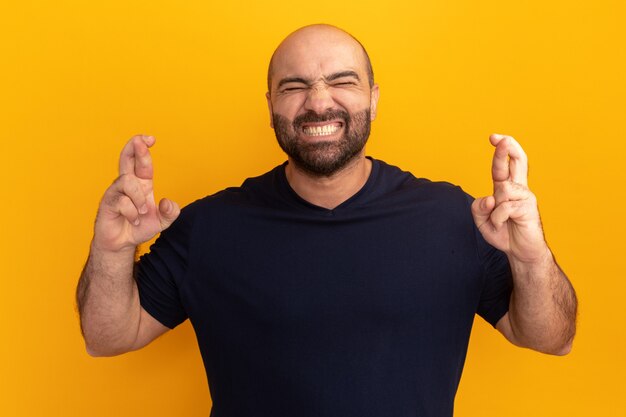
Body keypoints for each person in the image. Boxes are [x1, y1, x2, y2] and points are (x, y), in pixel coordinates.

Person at [76, 24, 577, 417]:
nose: (318, 101)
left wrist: (531, 256)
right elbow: (108, 337)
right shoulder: (207, 226)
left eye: (342, 81)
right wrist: (113, 249)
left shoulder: (454, 218)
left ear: (374, 99)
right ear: (270, 106)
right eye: (294, 86)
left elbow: (552, 338)